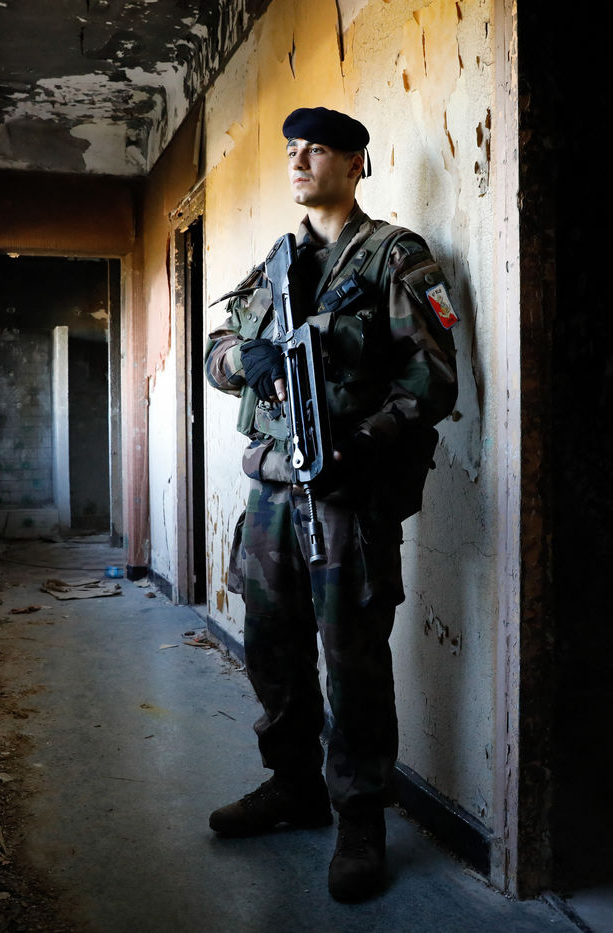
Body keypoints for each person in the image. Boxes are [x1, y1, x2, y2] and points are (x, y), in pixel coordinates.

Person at [203, 105, 459, 902]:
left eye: (316, 150)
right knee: (271, 647)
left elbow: (433, 380)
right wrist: (244, 359)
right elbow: (217, 354)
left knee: (353, 661)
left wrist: (364, 443)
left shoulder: (394, 257)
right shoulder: (275, 265)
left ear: (355, 165)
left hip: (348, 492)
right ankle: (294, 786)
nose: (298, 160)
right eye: (293, 149)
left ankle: (361, 818)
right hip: (271, 492)